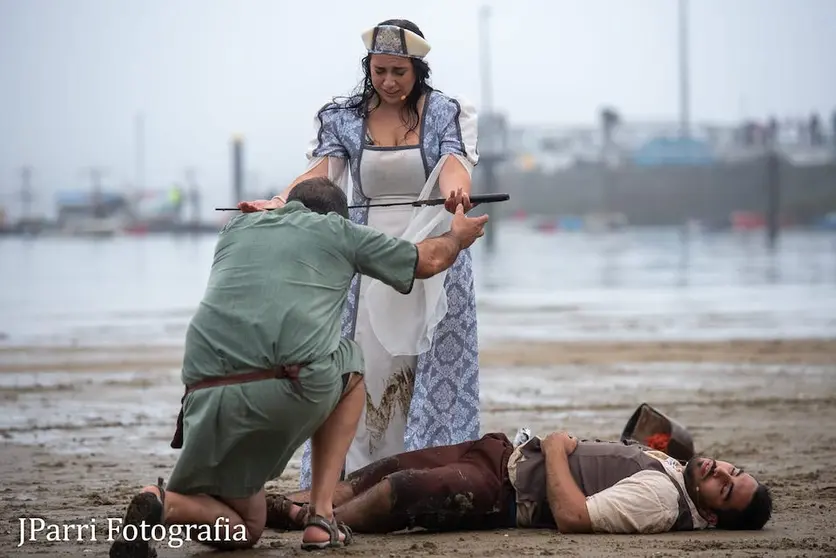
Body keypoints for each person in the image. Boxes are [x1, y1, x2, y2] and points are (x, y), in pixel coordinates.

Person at [108, 177, 489, 557]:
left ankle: (161, 503)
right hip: (283, 385)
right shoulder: (339, 231)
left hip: (202, 399)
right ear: (337, 217)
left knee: (248, 528)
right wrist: (456, 235)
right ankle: (321, 518)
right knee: (351, 363)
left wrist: (275, 204)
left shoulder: (235, 230)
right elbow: (429, 260)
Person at [238, 19, 482, 490]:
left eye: (399, 72)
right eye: (379, 71)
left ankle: (423, 475)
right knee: (368, 360)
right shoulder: (343, 115)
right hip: (367, 254)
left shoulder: (444, 113)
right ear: (367, 68)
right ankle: (357, 475)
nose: (388, 82)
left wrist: (456, 197)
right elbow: (321, 174)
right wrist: (280, 201)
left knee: (421, 357)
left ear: (418, 70)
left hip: (432, 248)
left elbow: (455, 165)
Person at [264, 430, 773, 536]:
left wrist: (554, 449)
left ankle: (310, 521)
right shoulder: (676, 471)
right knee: (380, 469)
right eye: (733, 469)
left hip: (505, 494)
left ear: (709, 515)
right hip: (501, 453)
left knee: (404, 491)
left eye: (726, 488)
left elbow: (575, 517)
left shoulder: (663, 500)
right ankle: (281, 506)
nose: (721, 471)